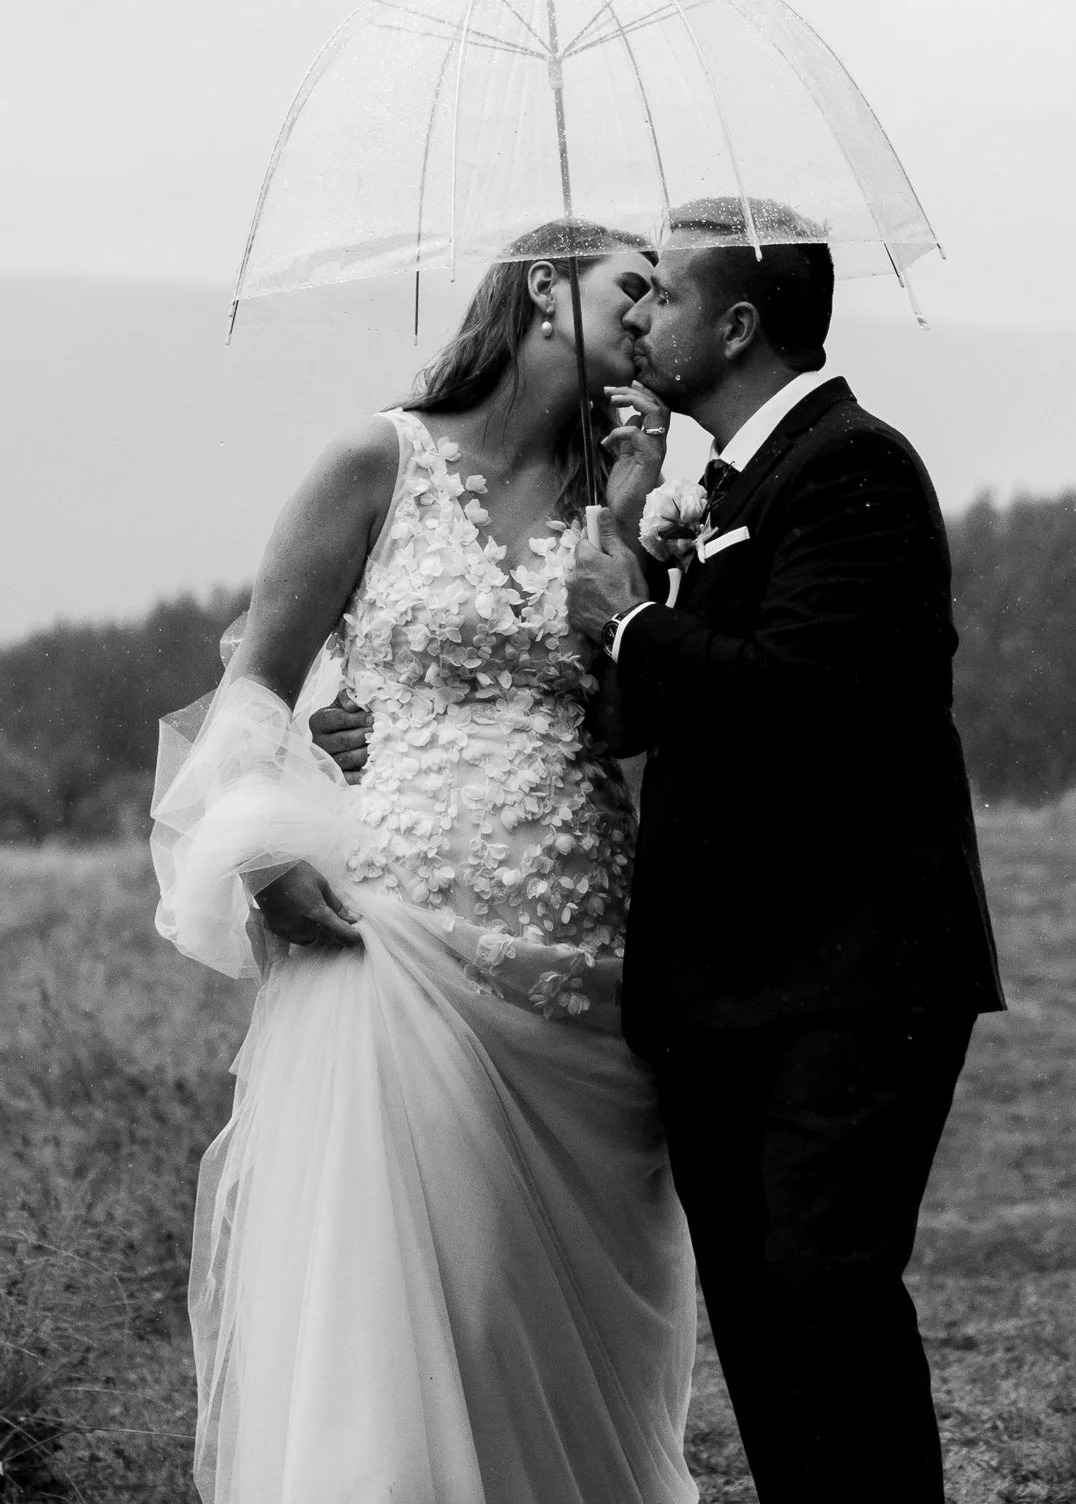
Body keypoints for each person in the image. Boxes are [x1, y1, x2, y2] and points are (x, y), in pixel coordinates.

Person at [150, 222, 699, 1504]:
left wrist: (627, 525)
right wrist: (264, 856)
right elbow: (256, 687)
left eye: (665, 294)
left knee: (547, 1311)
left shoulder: (622, 501)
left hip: (587, 951)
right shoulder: (375, 459)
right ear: (543, 288)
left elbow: (633, 726)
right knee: (406, 1297)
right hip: (390, 934)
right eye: (632, 285)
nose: (651, 311)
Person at [562, 199, 1007, 1504]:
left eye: (665, 295)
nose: (641, 314)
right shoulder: (724, 486)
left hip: (853, 978)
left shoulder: (857, 468)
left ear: (738, 324)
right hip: (720, 989)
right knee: (758, 1313)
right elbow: (651, 720)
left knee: (827, 1288)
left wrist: (634, 624)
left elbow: (804, 694)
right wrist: (633, 540)